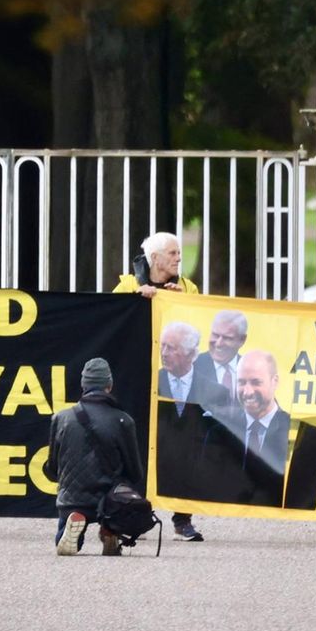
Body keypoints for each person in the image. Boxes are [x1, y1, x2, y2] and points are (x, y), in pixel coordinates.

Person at [113, 231, 203, 541]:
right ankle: (132, 515)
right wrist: (135, 300)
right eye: (173, 253)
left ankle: (182, 518)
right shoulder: (127, 284)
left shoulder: (188, 287)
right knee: (135, 445)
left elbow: (200, 324)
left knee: (182, 444)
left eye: (179, 252)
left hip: (175, 379)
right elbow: (112, 318)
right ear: (155, 258)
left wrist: (184, 303)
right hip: (139, 376)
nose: (179, 258)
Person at [198, 350, 316, 509]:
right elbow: (207, 486)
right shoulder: (218, 432)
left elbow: (306, 497)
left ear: (274, 381)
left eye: (256, 382)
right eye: (241, 382)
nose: (247, 392)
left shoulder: (304, 435)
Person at [46, 358, 144, 557]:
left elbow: (52, 468)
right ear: (109, 386)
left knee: (68, 525)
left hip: (72, 499)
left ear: (83, 385)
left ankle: (74, 521)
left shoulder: (61, 418)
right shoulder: (123, 420)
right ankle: (110, 530)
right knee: (122, 494)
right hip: (110, 502)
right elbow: (135, 472)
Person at [155, 321, 223, 503]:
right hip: (156, 470)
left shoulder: (215, 392)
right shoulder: (150, 384)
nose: (163, 353)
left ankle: (183, 516)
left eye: (171, 348)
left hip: (196, 475)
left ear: (192, 354)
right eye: (162, 346)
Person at [193, 309, 247, 412]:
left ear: (242, 340)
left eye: (227, 338)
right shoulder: (191, 367)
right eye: (215, 335)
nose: (218, 343)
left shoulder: (252, 370)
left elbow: (270, 414)